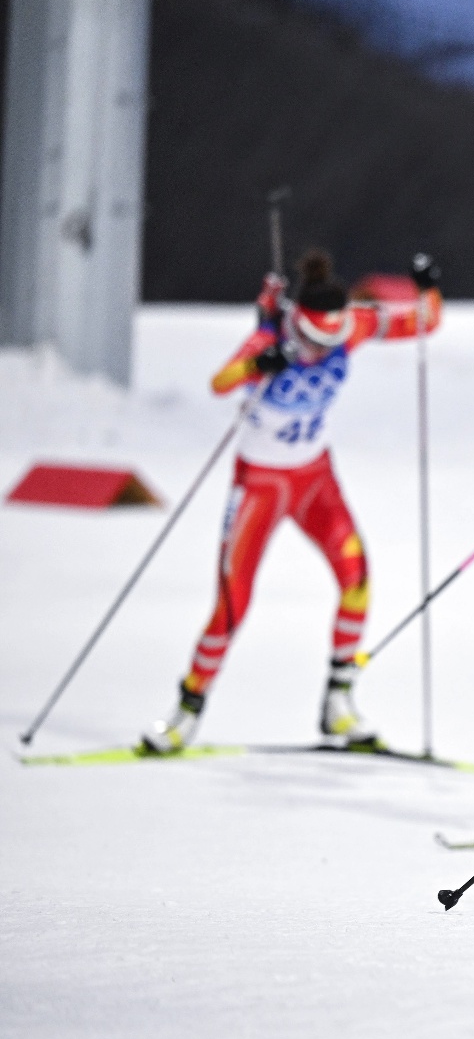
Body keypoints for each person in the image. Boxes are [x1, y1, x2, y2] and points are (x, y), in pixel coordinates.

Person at [140, 251, 443, 754]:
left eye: (332, 340)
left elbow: (425, 321)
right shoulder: (275, 335)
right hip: (261, 483)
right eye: (314, 341)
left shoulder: (351, 326)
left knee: (356, 577)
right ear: (297, 322)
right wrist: (259, 362)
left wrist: (426, 285)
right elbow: (221, 383)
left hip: (315, 479)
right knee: (233, 603)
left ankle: (338, 706)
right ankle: (186, 711)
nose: (324, 350)